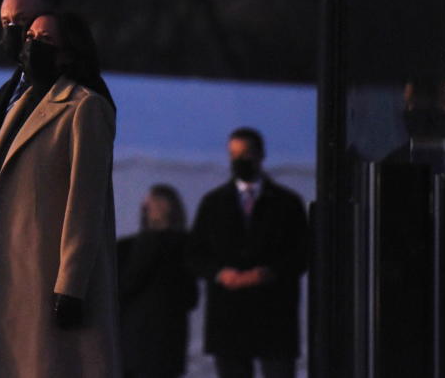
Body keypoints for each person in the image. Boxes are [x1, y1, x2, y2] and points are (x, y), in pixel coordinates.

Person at [0, 11, 120, 377]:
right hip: (16, 272)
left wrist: (70, 284)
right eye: (29, 37)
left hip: (49, 275)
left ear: (69, 53)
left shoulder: (84, 108)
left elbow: (85, 203)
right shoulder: (22, 105)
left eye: (44, 40)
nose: (29, 46)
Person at [0, 0, 62, 372]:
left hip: (38, 258)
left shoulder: (70, 95)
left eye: (22, 19)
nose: (13, 30)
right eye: (5, 21)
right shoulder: (7, 90)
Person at [187, 127, 308, 378]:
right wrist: (220, 274)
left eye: (245, 154)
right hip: (228, 318)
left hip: (274, 317)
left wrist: (269, 273)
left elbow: (303, 253)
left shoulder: (287, 203)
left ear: (260, 155)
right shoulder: (214, 203)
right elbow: (195, 254)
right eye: (234, 154)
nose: (239, 160)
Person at [116, 185, 198, 378]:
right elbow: (190, 297)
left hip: (140, 343)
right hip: (155, 343)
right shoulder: (185, 246)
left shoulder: (132, 247)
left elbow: (125, 286)